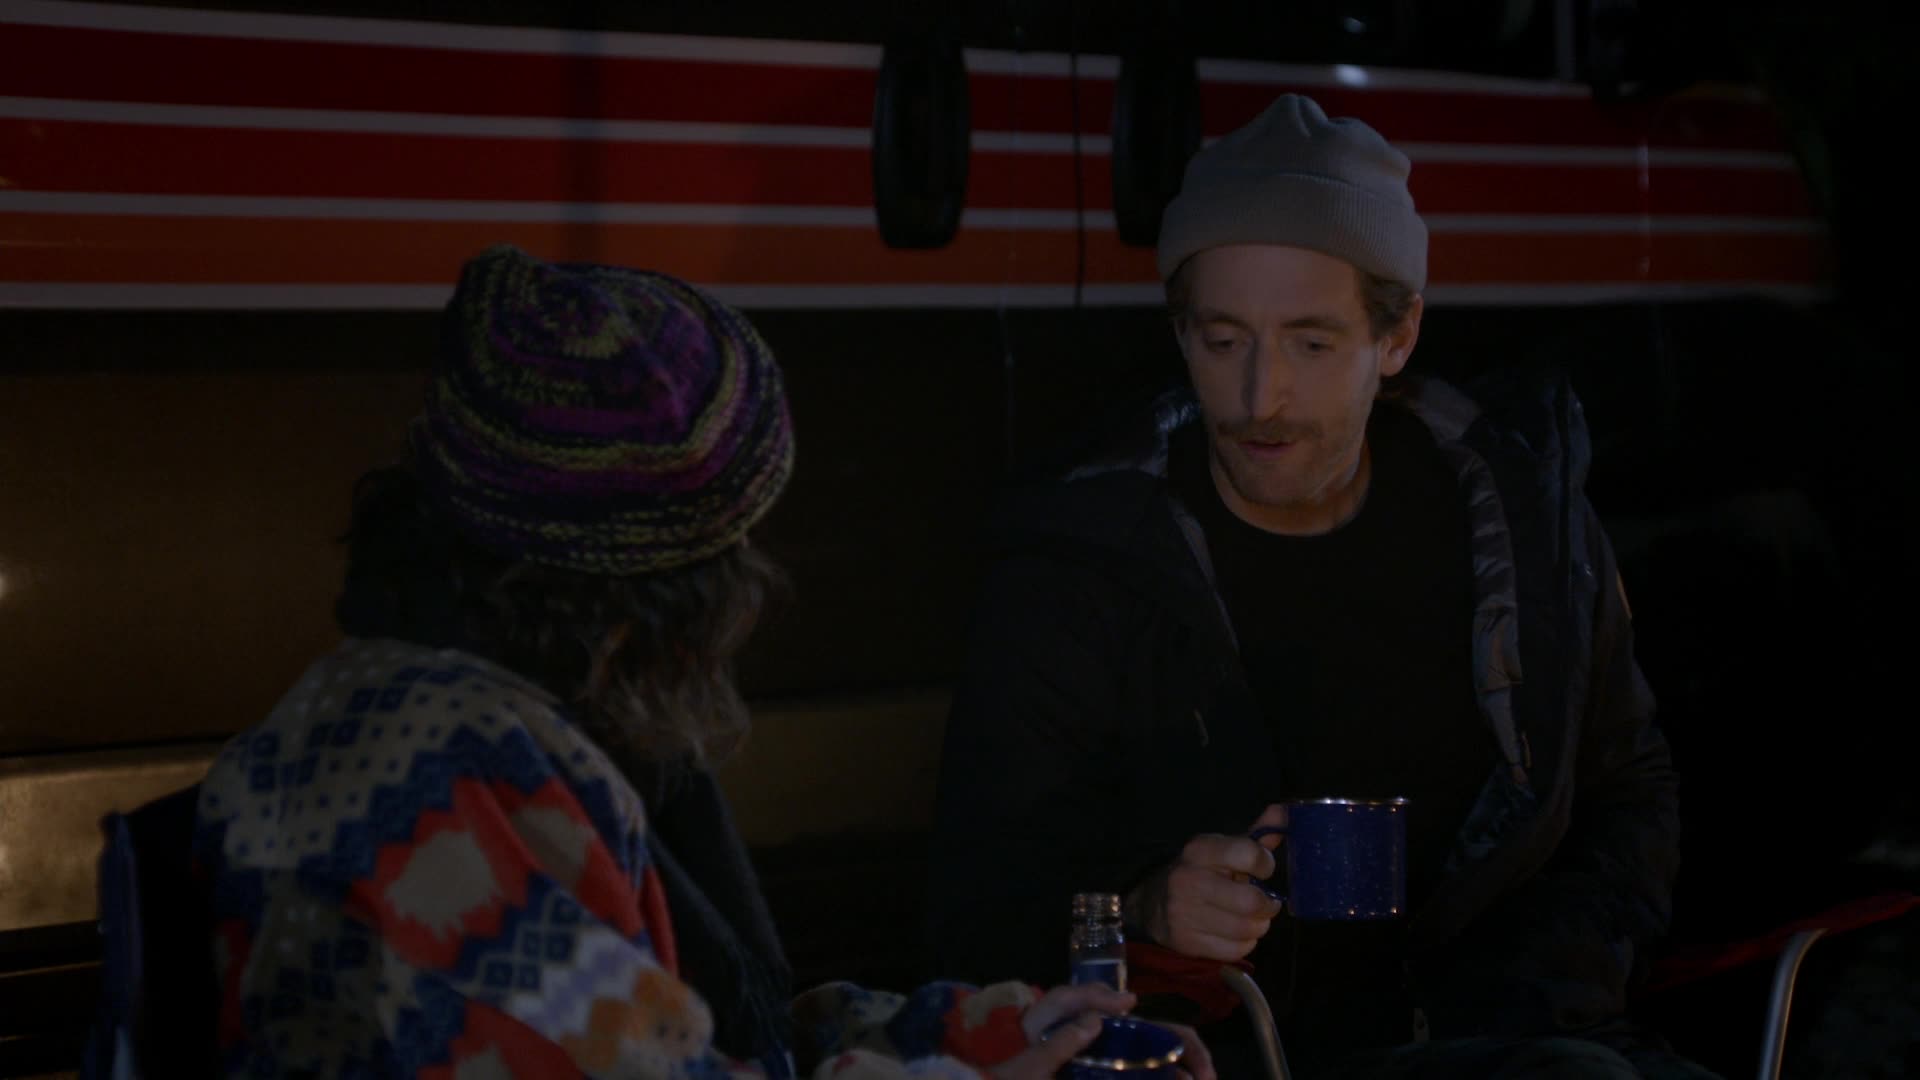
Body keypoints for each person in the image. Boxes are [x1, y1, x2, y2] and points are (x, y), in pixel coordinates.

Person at [186, 245, 1213, 1079]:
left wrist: (1003, 1033)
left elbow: (701, 1035)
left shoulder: (535, 715)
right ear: (668, 578)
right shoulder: (444, 778)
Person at [928, 95, 1709, 1078]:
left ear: (1398, 336)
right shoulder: (1083, 564)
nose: (1261, 399)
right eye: (1223, 341)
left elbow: (1626, 791)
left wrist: (1557, 980)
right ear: (1180, 333)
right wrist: (1146, 905)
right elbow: (978, 900)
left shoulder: (1519, 526)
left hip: (1532, 1034)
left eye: (1311, 342)